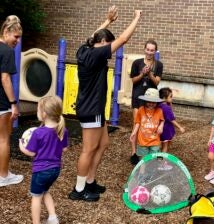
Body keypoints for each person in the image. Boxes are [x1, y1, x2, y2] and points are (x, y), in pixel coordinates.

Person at [68, 6, 142, 202]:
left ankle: (90, 181)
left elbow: (91, 37)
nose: (110, 49)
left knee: (103, 143)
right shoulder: (95, 54)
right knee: (88, 149)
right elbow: (123, 40)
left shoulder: (85, 49)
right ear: (102, 43)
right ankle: (79, 189)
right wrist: (137, 17)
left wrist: (108, 21)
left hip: (94, 107)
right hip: (91, 109)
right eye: (108, 44)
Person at [19, 96, 68, 224]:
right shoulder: (62, 130)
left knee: (36, 198)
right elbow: (64, 149)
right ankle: (53, 218)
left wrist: (21, 146)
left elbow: (31, 153)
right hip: (55, 170)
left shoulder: (38, 133)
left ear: (44, 114)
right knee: (45, 191)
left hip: (40, 171)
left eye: (37, 110)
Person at [130, 39, 163, 163]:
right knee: (137, 123)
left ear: (155, 51)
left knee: (151, 124)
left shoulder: (158, 65)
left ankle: (150, 148)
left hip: (152, 99)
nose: (149, 52)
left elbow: (157, 82)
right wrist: (142, 73)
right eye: (148, 49)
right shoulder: (136, 63)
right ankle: (134, 152)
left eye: (152, 50)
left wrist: (149, 74)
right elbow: (133, 80)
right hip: (138, 96)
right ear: (144, 49)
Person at [0, 15, 23, 187]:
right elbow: (5, 78)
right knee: (3, 139)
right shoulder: (7, 51)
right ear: (6, 32)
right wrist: (13, 103)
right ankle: (3, 176)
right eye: (16, 36)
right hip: (1, 103)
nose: (17, 40)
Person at [130, 88, 164, 159]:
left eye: (153, 102)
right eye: (149, 101)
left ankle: (152, 170)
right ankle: (142, 170)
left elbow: (162, 120)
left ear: (156, 102)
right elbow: (137, 122)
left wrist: (161, 126)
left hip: (155, 140)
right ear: (145, 101)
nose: (151, 104)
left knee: (153, 159)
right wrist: (134, 132)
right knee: (143, 159)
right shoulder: (141, 110)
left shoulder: (159, 111)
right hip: (142, 140)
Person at [159, 87, 185, 153]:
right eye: (170, 96)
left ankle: (159, 158)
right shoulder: (166, 108)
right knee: (165, 146)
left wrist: (170, 102)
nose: (172, 98)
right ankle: (162, 160)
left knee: (162, 145)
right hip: (166, 130)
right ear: (165, 98)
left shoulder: (159, 105)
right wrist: (180, 127)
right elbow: (172, 119)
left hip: (160, 128)